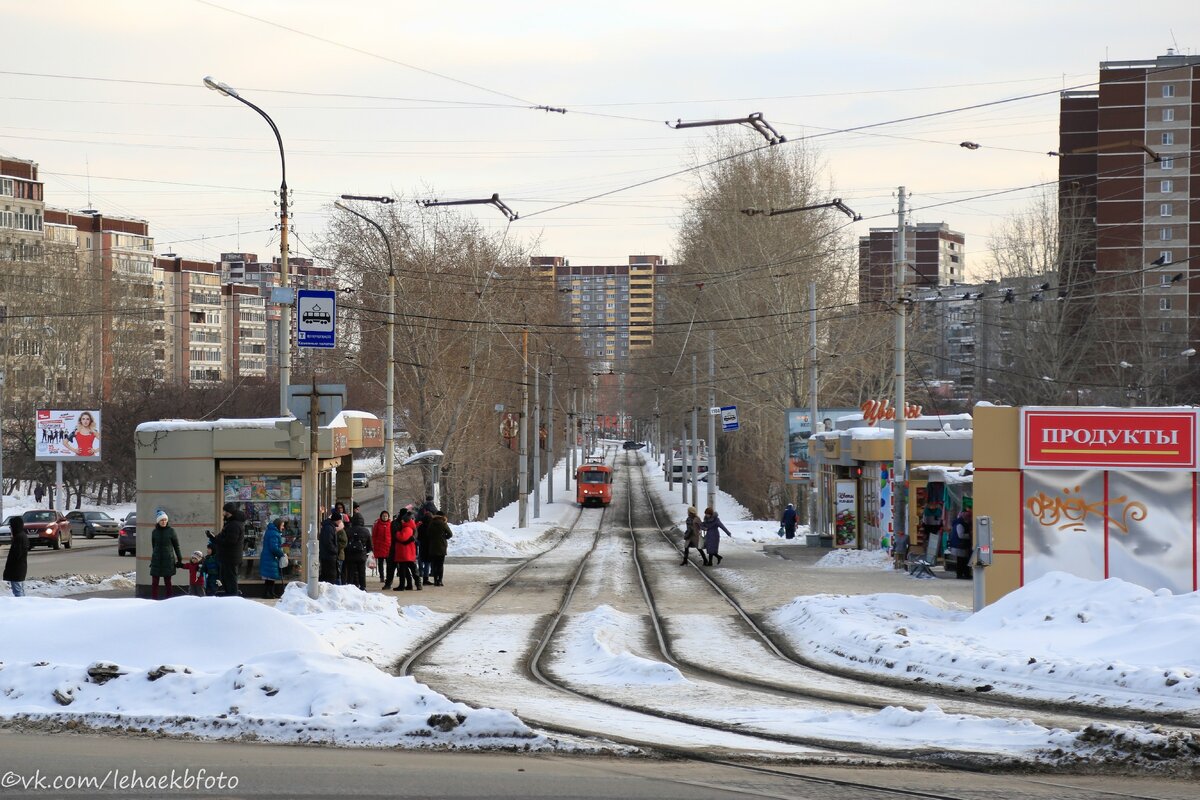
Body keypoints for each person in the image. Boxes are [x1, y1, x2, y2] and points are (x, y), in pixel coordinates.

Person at [211, 502, 245, 597]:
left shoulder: (234, 525)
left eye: (224, 511)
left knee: (230, 579)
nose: (223, 513)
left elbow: (230, 541)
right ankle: (229, 594)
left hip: (231, 557)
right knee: (226, 578)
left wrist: (217, 539)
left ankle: (233, 596)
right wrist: (214, 538)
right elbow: (223, 537)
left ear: (229, 512)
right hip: (227, 557)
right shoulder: (230, 523)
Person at [149, 511, 183, 600]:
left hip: (168, 560)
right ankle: (154, 600)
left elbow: (176, 546)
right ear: (158, 521)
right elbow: (154, 546)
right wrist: (153, 558)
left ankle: (169, 600)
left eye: (165, 520)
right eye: (161, 520)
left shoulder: (171, 531)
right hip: (156, 560)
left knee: (168, 582)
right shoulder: (154, 532)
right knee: (154, 582)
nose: (164, 522)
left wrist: (180, 558)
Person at [419, 509, 453, 587]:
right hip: (442, 546)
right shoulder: (443, 524)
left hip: (432, 546)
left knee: (434, 564)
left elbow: (428, 533)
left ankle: (435, 580)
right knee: (440, 564)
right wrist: (444, 537)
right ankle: (440, 580)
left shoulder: (431, 523)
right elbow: (450, 534)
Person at [391, 509, 421, 591]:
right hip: (406, 553)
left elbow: (402, 537)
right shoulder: (411, 527)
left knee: (407, 570)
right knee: (407, 569)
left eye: (402, 520)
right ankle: (412, 585)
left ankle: (413, 584)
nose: (401, 521)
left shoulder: (407, 528)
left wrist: (397, 533)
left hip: (405, 553)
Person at [259, 517, 286, 599]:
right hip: (270, 558)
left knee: (269, 578)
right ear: (278, 525)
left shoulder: (271, 532)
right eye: (282, 525)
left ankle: (268, 593)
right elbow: (273, 548)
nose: (283, 527)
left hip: (268, 557)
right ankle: (268, 593)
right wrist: (282, 554)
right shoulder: (274, 533)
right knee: (271, 577)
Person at [345, 512, 372, 591]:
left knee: (351, 572)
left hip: (350, 555)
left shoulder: (349, 530)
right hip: (361, 555)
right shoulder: (366, 531)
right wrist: (366, 552)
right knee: (361, 572)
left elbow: (346, 542)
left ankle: (350, 587)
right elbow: (369, 545)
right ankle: (363, 587)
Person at [4, 516, 29, 597]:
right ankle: (24, 605)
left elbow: (16, 555)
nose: (10, 528)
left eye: (11, 526)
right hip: (20, 568)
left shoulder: (19, 538)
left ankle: (21, 607)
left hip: (16, 569)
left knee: (18, 591)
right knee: (20, 589)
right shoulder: (22, 536)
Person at [950, 503, 973, 579]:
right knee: (962, 561)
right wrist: (970, 535)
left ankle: (962, 574)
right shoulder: (960, 523)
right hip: (959, 546)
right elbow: (961, 535)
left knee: (962, 561)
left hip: (959, 545)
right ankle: (962, 574)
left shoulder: (959, 522)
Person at [372, 510, 393, 587]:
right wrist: (374, 544)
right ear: (381, 516)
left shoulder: (390, 524)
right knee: (380, 563)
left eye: (386, 516)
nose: (385, 517)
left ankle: (388, 577)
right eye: (383, 516)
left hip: (388, 546)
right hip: (379, 546)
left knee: (389, 563)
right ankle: (382, 576)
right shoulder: (377, 524)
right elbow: (374, 535)